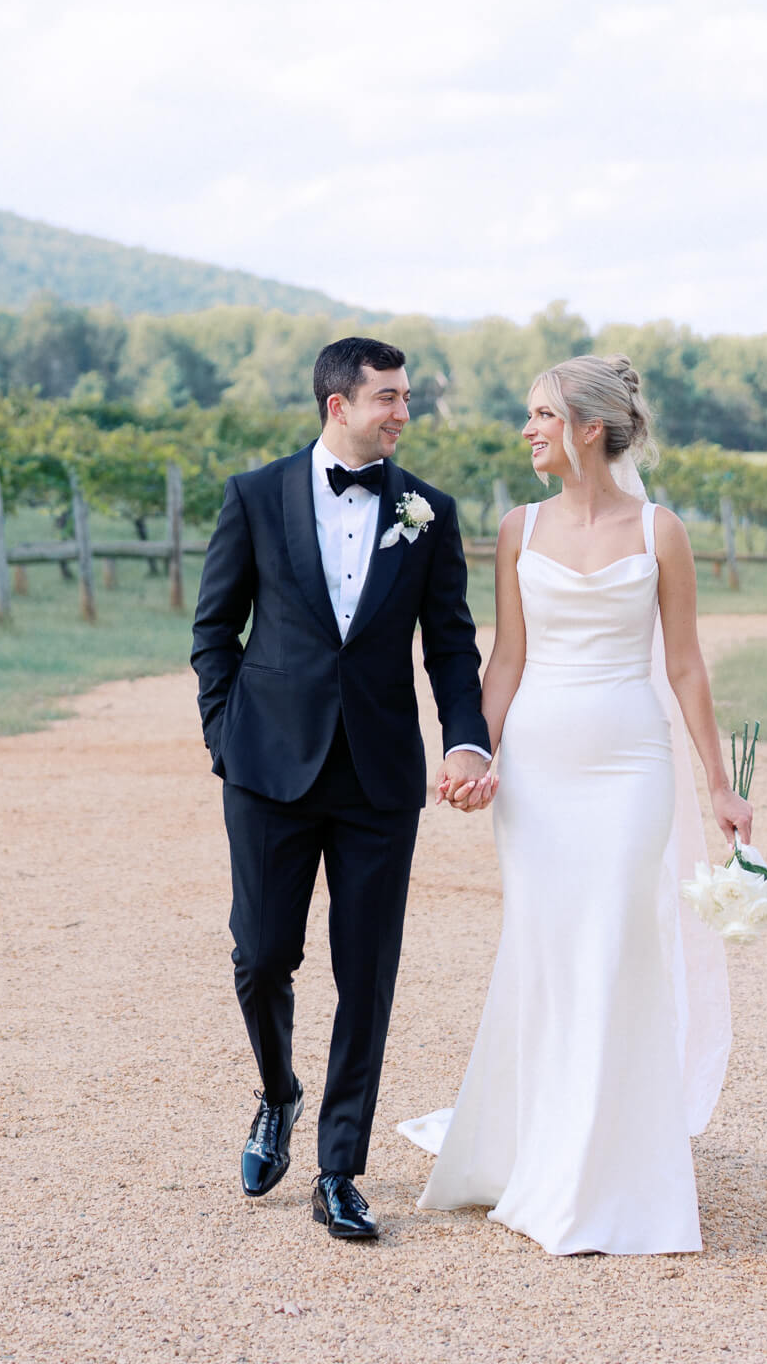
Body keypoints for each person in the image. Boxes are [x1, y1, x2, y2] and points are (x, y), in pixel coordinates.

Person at [399, 354, 750, 1255]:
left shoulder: (659, 530)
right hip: (542, 772)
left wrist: (718, 782)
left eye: (542, 414)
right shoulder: (517, 528)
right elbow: (505, 660)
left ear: (590, 428)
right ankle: (540, 1146)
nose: (528, 429)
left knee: (617, 950)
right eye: (530, 415)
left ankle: (611, 1169)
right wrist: (475, 753)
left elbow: (683, 666)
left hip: (632, 764)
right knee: (550, 949)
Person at [191, 337, 493, 1241]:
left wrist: (468, 739)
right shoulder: (254, 495)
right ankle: (276, 1091)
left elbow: (449, 643)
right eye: (389, 398)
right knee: (260, 955)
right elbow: (215, 628)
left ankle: (338, 1167)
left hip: (377, 777)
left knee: (365, 974)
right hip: (266, 768)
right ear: (338, 405)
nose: (403, 413)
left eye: (405, 398)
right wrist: (224, 738)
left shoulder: (426, 512)